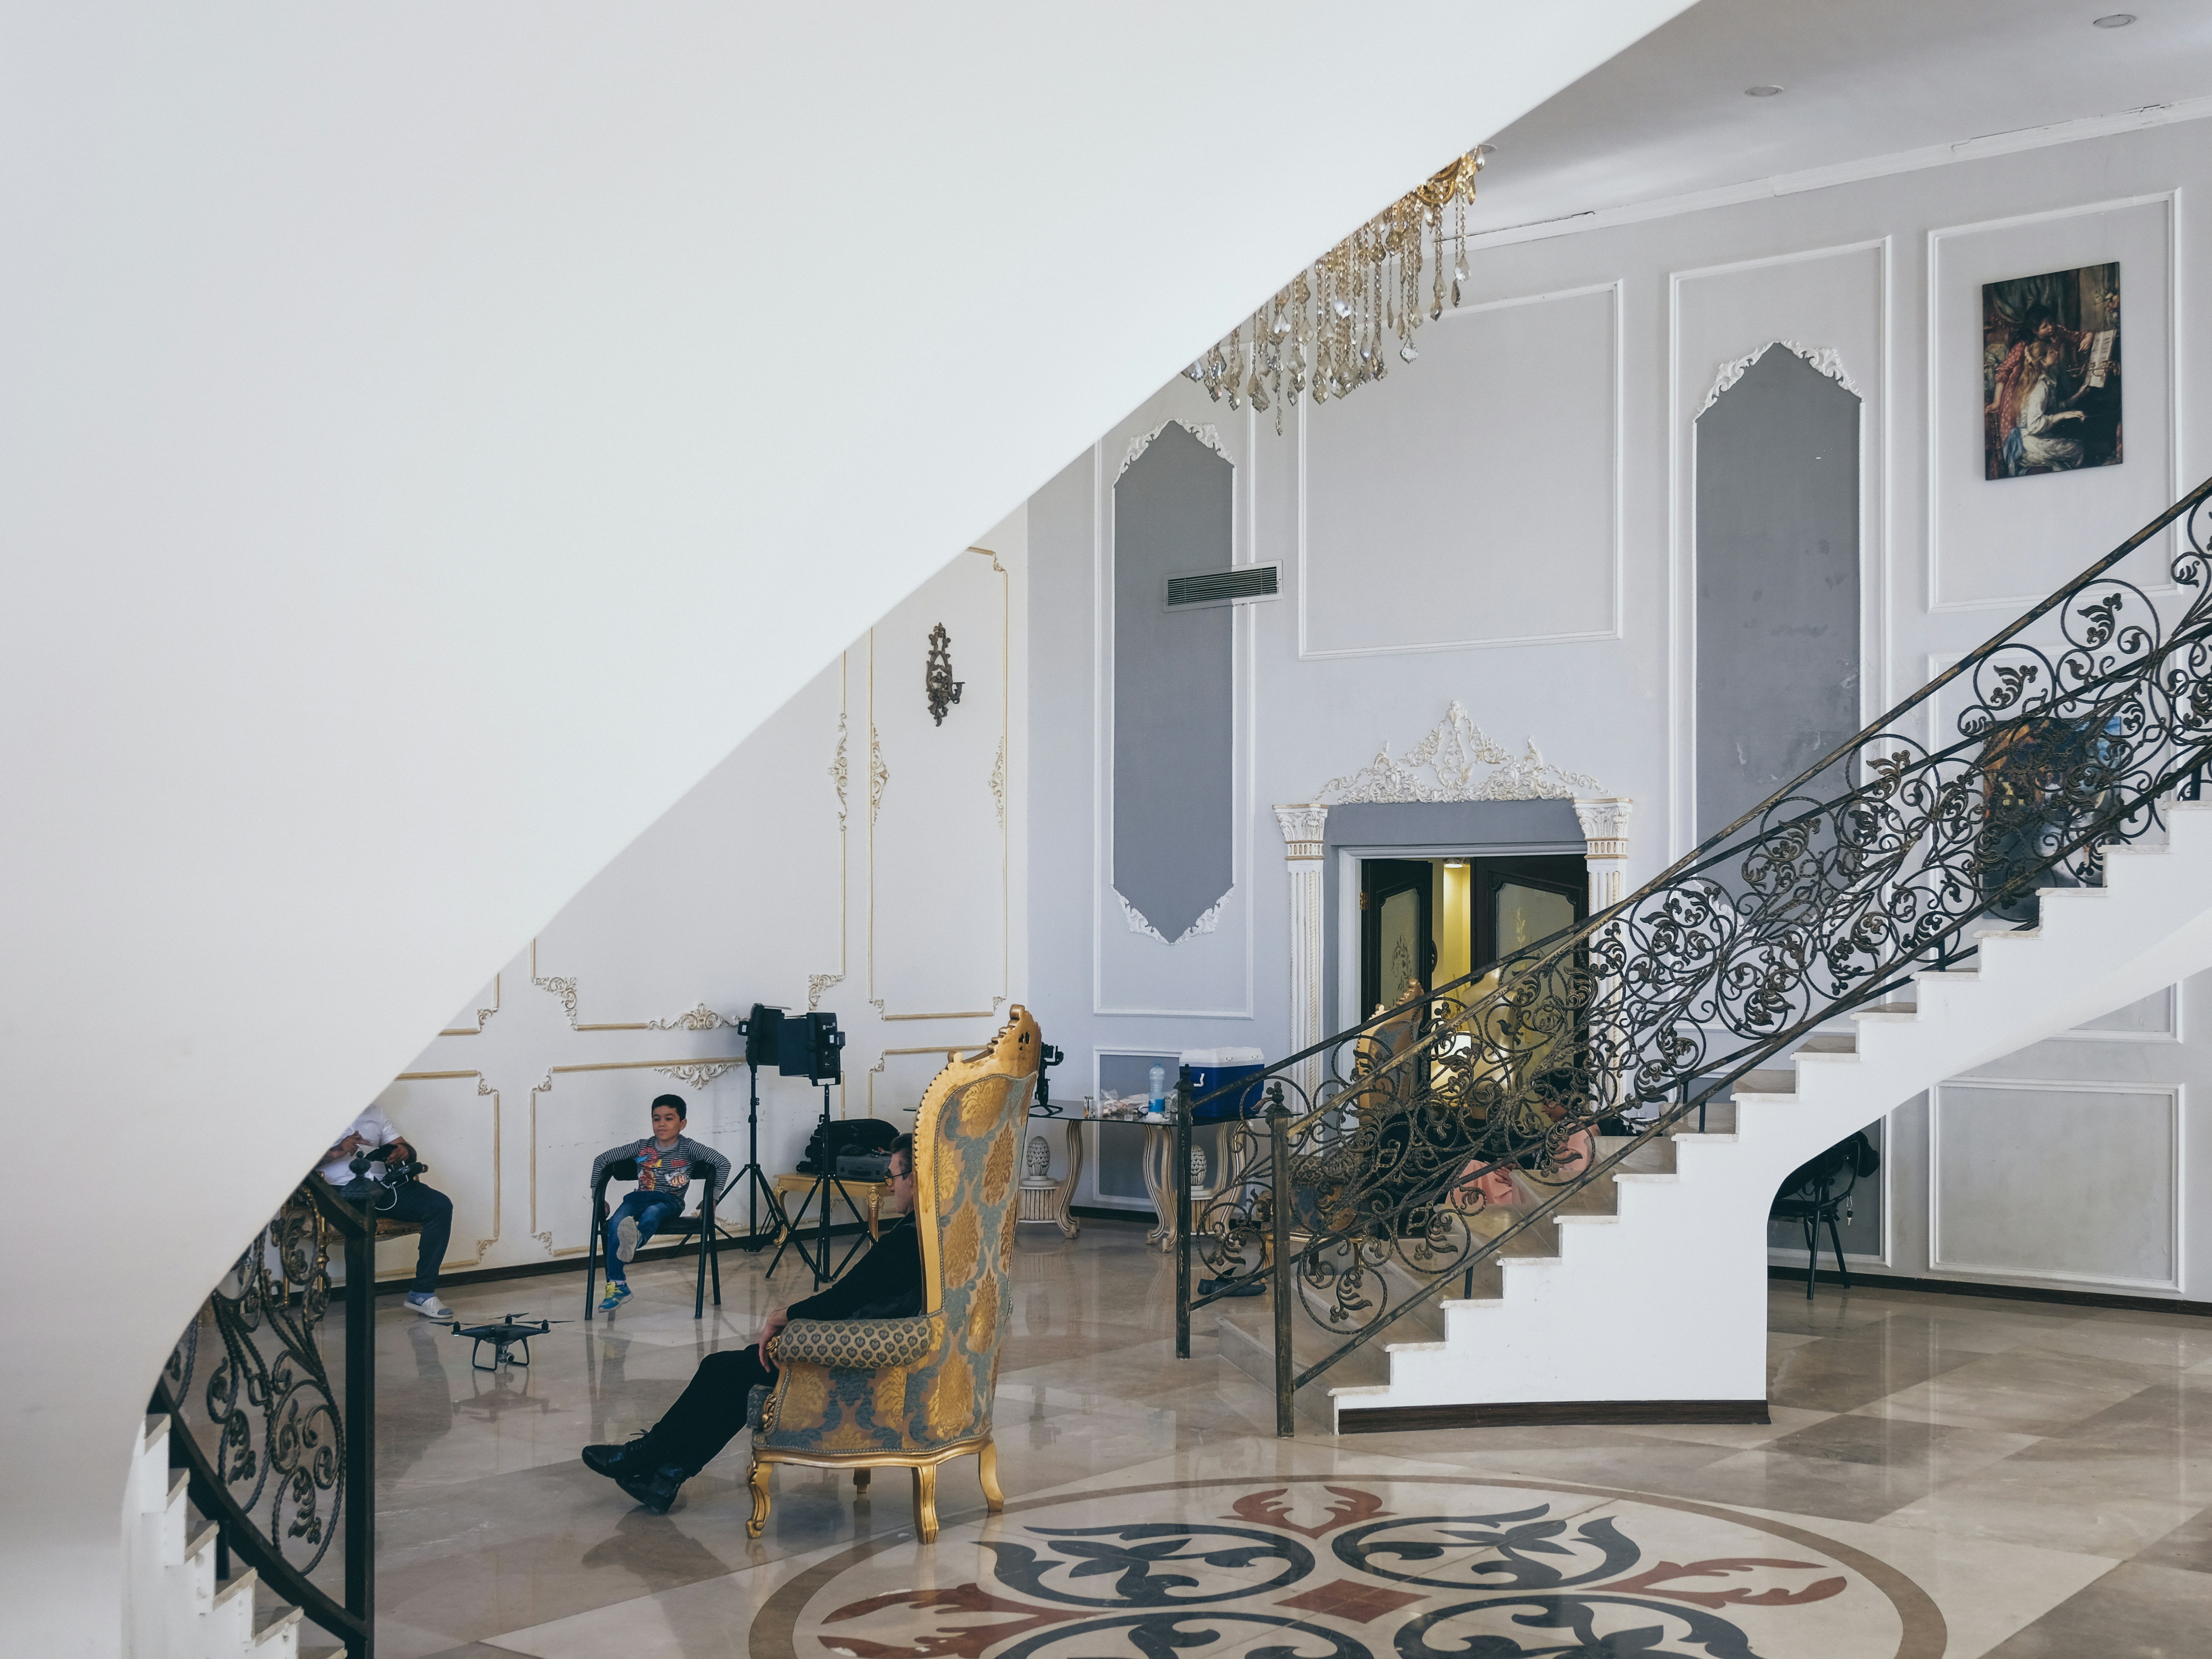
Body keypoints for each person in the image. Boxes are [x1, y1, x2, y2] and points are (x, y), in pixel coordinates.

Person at [580, 1134, 920, 1514]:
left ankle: (644, 1456)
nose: (892, 1188)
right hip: (889, 1351)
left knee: (722, 1369)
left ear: (916, 1177)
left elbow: (845, 1298)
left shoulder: (904, 1241)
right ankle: (666, 1474)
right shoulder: (937, 1233)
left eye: (894, 1178)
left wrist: (786, 1316)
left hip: (857, 1360)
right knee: (736, 1372)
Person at [588, 1094, 732, 1312]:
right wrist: (597, 1198)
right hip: (639, 1198)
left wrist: (712, 1198)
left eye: (669, 1119)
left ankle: (636, 1239)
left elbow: (722, 1163)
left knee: (653, 1213)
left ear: (682, 1123)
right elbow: (602, 1160)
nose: (662, 1124)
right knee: (617, 1223)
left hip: (669, 1201)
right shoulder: (642, 1147)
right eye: (657, 1119)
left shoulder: (689, 1148)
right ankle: (618, 1286)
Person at [317, 1105, 456, 1322]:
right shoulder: (317, 1110)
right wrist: (337, 1151)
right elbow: (295, 1162)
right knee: (363, 1217)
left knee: (439, 1206)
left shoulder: (375, 1112)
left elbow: (403, 1145)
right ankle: (359, 1300)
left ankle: (422, 1293)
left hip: (383, 1186)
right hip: (338, 1190)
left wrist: (404, 1152)